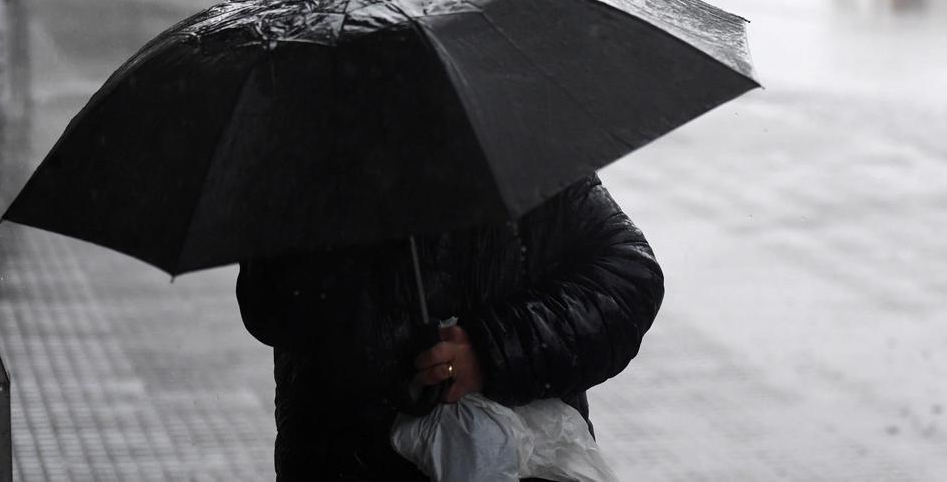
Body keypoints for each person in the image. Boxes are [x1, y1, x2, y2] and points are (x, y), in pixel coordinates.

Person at [236, 173, 664, 480]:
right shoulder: (308, 158)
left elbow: (629, 274)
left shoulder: (518, 145)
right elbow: (270, 309)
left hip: (516, 458)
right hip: (347, 460)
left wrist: (492, 349)